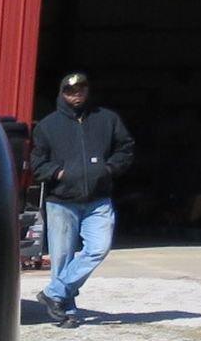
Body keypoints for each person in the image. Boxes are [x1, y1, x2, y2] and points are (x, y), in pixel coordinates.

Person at [30, 72, 133, 327]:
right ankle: (66, 311)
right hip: (61, 201)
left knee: (99, 247)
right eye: (71, 91)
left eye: (81, 90)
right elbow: (37, 163)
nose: (76, 95)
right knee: (62, 257)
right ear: (62, 93)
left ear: (88, 91)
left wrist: (109, 169)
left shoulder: (107, 120)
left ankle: (54, 293)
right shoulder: (48, 126)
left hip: (98, 200)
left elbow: (126, 148)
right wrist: (59, 173)